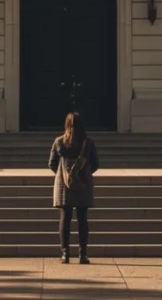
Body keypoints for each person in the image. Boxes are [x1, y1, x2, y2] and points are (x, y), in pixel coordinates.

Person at [48, 111, 99, 264]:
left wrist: (64, 174)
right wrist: (82, 174)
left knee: (65, 218)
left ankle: (65, 254)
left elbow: (51, 163)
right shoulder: (88, 143)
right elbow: (96, 164)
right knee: (82, 219)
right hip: (83, 184)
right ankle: (83, 254)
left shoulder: (58, 142)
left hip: (64, 186)